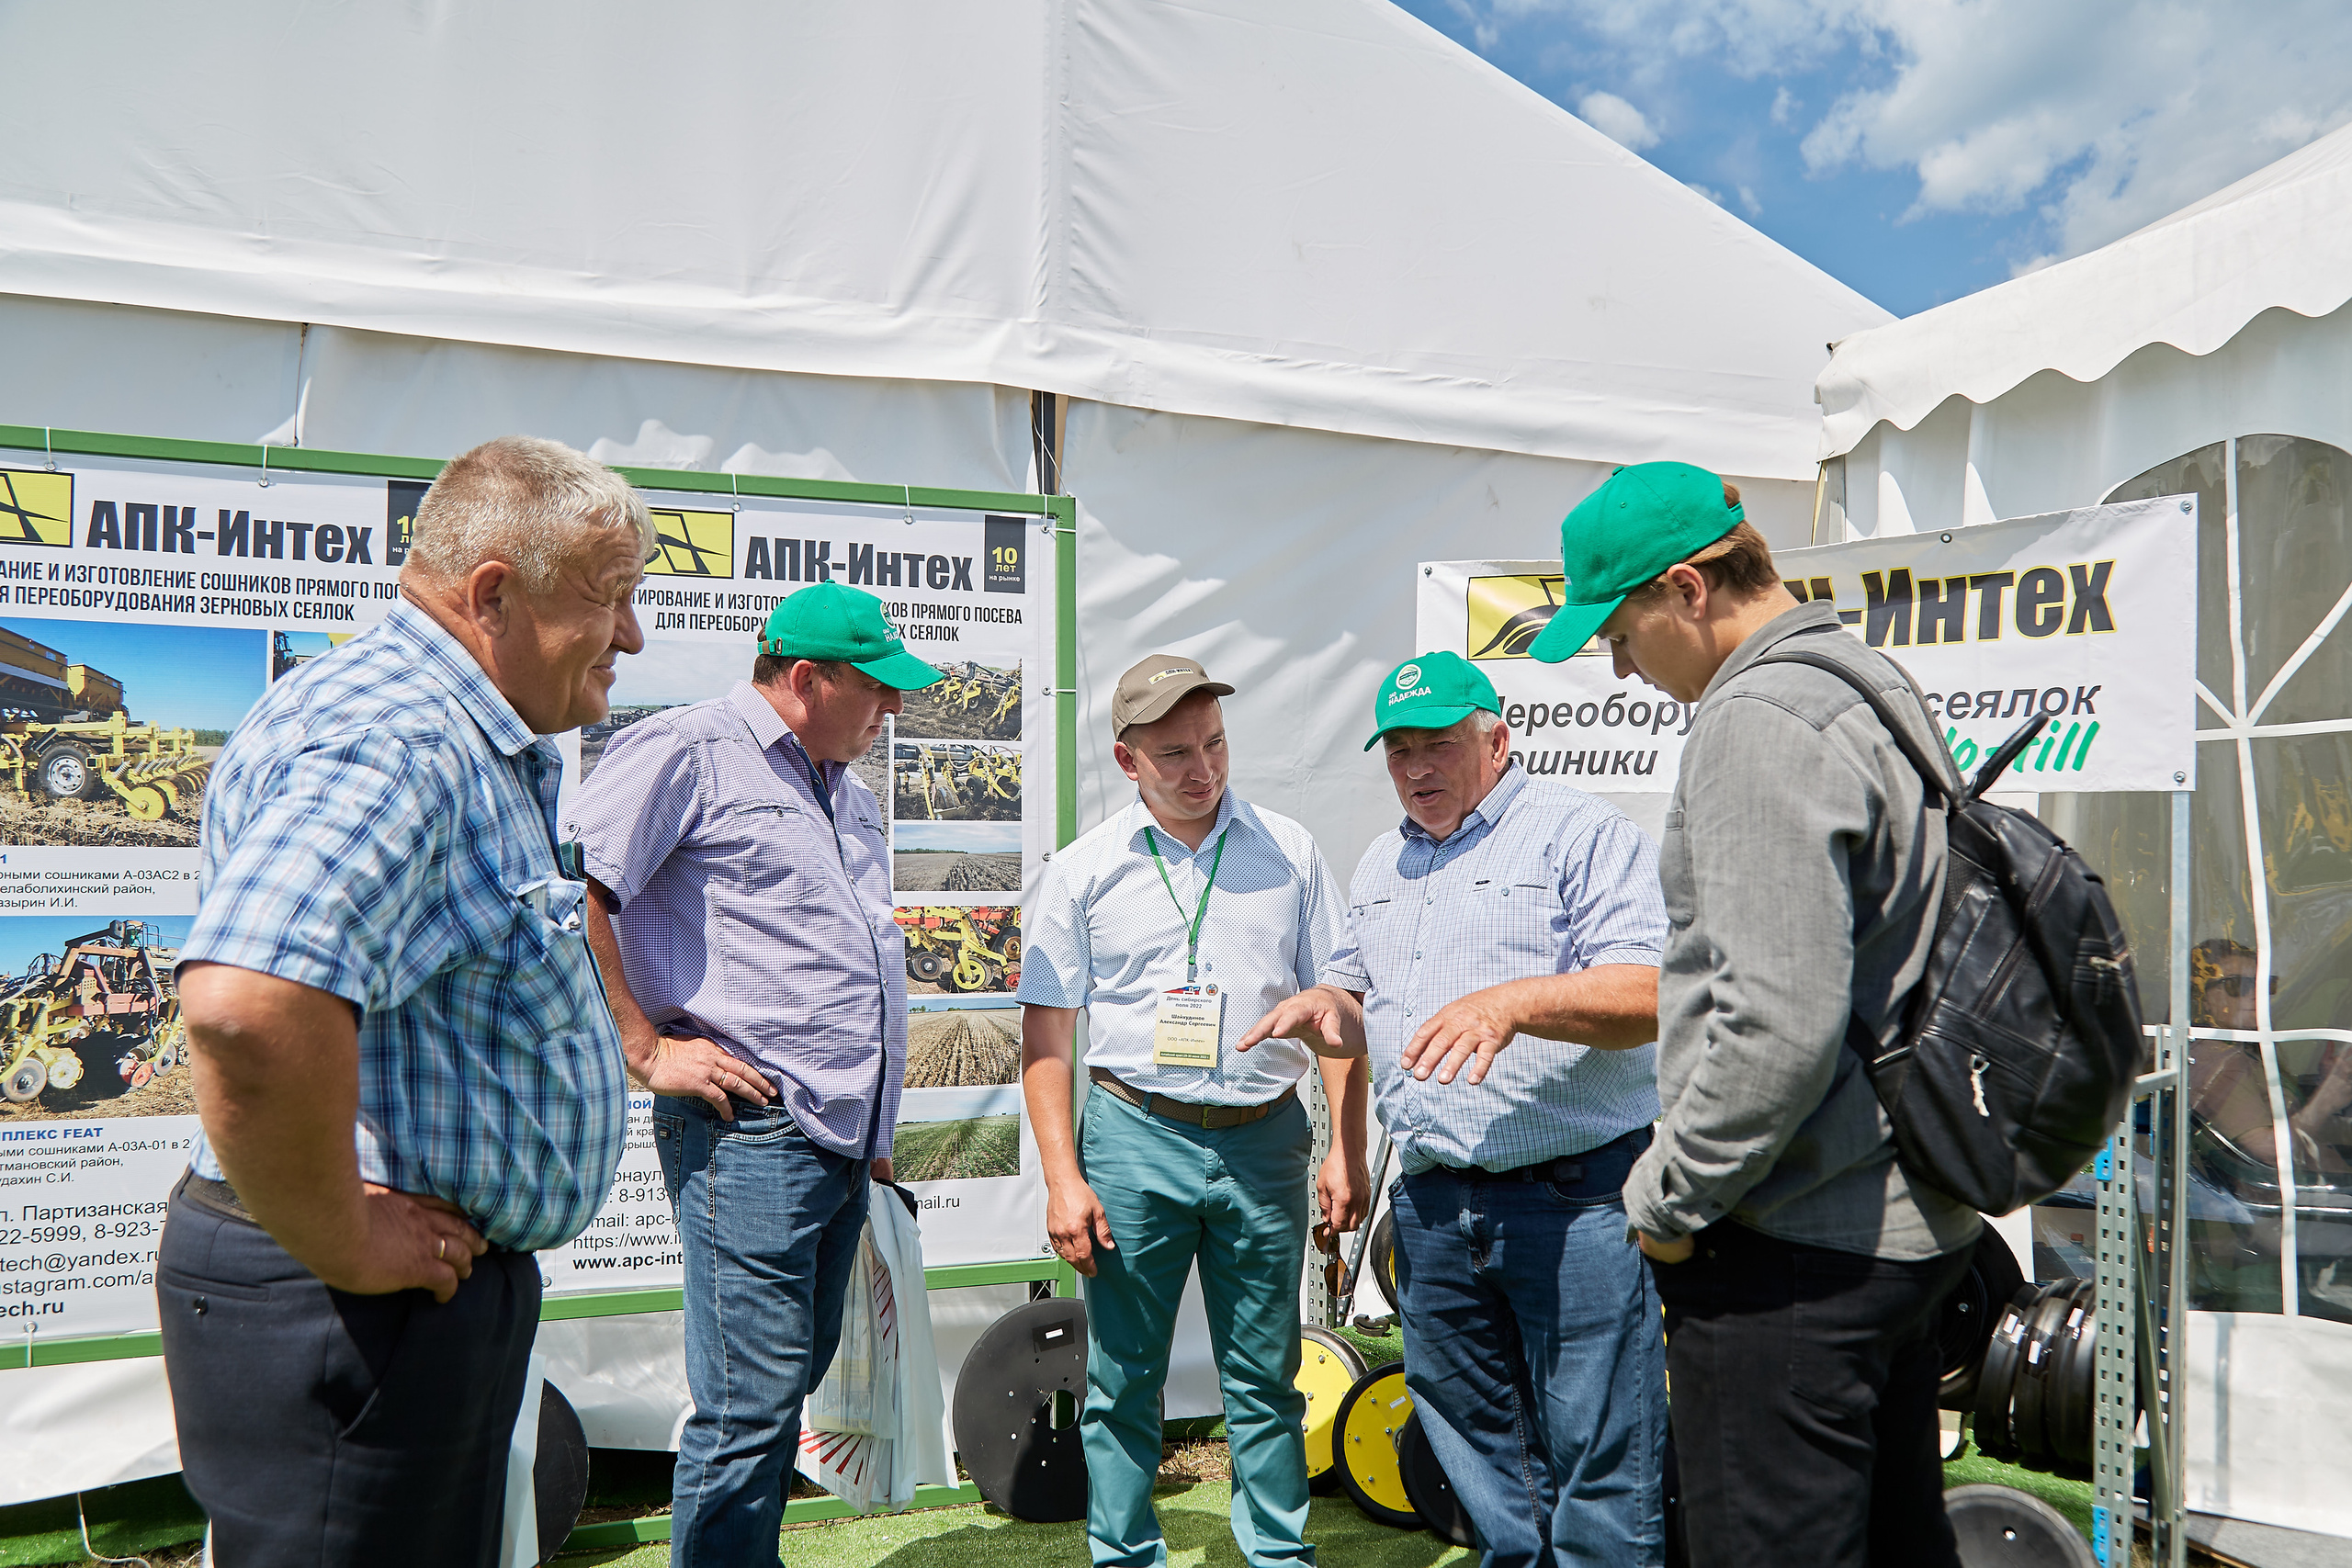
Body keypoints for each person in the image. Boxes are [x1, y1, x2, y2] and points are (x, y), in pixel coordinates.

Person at [161, 434, 653, 1566]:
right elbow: (245, 1000)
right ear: (493, 596)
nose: (631, 634)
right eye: (610, 598)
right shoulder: (401, 739)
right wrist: (350, 1237)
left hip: (390, 1299)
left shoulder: (449, 728)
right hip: (351, 1306)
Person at [1543, 461, 1980, 1568]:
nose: (1621, 666)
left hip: (1793, 1242)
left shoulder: (1757, 716)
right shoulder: (1868, 680)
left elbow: (1771, 1019)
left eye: (1622, 631)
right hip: (1899, 1211)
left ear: (1690, 588)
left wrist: (1668, 1202)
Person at [1241, 649, 1669, 1568]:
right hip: (1433, 1205)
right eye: (1397, 752)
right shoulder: (1382, 860)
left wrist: (1513, 1002)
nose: (1415, 770)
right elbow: (1358, 1003)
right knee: (1481, 1454)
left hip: (1576, 1196)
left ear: (1497, 740)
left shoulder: (1579, 832)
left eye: (1437, 746)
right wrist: (1329, 1011)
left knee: (1600, 1452)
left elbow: (1648, 993)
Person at [567, 580, 941, 1565]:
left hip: (834, 1136)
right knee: (747, 1406)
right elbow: (577, 893)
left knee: (782, 1390)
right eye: (878, 687)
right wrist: (642, 1048)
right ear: (808, 678)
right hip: (751, 1128)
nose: (892, 707)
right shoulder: (687, 749)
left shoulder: (841, 787)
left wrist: (876, 1140)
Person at [1018, 654, 1365, 1568]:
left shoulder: (1287, 851)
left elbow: (1336, 1008)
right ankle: (1124, 1556)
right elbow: (1047, 1040)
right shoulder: (1082, 872)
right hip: (1135, 1138)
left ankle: (1277, 1557)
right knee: (1123, 1379)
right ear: (1128, 761)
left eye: (1213, 744)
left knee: (1265, 1378)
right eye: (1173, 752)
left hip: (1265, 1140)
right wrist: (1063, 1180)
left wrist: (1346, 1150)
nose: (1200, 768)